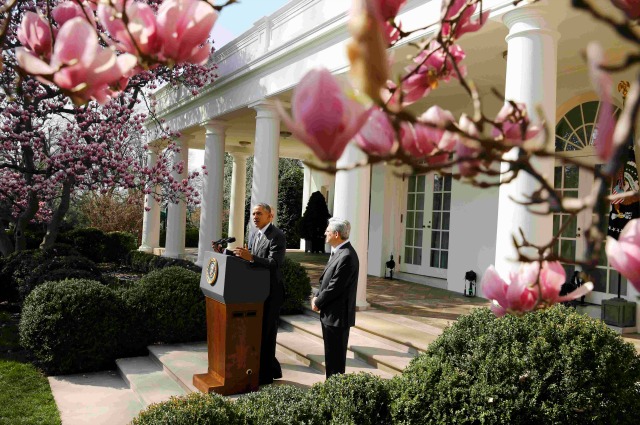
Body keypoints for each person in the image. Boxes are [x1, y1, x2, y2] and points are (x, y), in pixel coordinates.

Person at [212, 203, 286, 385]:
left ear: (270, 216)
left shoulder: (277, 236)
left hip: (271, 292)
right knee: (257, 334)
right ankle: (267, 369)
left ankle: (266, 377)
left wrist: (251, 257)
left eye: (259, 213)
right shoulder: (253, 234)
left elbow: (274, 263)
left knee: (268, 334)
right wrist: (226, 252)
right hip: (255, 291)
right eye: (253, 213)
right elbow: (248, 257)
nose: (255, 217)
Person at [311, 217, 359, 379]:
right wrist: (317, 296)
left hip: (338, 316)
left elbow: (335, 287)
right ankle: (331, 388)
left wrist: (318, 301)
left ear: (336, 234)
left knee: (335, 360)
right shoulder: (339, 252)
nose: (325, 233)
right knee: (331, 357)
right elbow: (326, 280)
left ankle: (334, 393)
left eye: (328, 231)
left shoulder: (346, 255)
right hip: (330, 314)